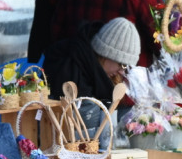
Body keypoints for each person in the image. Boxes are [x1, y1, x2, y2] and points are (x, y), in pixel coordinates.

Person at [43, 17, 139, 147]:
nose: (122, 71)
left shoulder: (96, 71)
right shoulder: (70, 68)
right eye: (121, 64)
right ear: (106, 53)